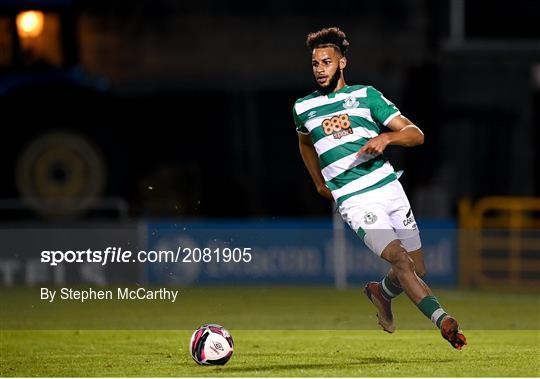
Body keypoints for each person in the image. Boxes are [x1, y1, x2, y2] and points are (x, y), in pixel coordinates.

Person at [293, 27, 466, 350]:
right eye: (315, 64)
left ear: (342, 63)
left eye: (326, 62)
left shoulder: (366, 96)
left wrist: (387, 137)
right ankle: (443, 320)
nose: (319, 69)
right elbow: (305, 143)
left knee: (418, 268)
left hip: (388, 187)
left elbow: (416, 134)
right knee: (400, 260)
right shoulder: (303, 108)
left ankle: (381, 293)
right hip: (354, 199)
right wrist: (318, 182)